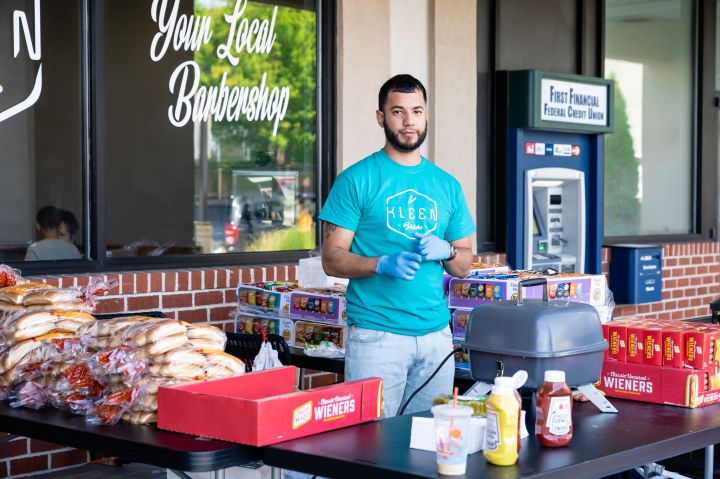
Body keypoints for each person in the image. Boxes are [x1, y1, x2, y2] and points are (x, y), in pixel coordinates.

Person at [319, 74, 475, 416]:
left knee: (427, 445)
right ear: (381, 118)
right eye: (398, 112)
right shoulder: (356, 180)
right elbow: (332, 259)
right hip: (377, 338)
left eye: (417, 111)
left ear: (427, 115)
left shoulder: (447, 185)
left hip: (436, 337)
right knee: (370, 445)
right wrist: (380, 264)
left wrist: (447, 251)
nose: (409, 121)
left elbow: (464, 264)